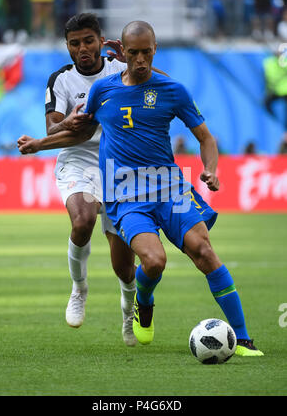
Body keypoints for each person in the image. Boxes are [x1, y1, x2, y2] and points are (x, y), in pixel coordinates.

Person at [19, 20, 264, 357]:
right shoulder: (102, 90)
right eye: (132, 53)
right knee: (154, 262)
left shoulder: (173, 90)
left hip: (169, 188)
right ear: (122, 51)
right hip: (125, 194)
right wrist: (40, 143)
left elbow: (206, 138)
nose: (139, 60)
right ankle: (143, 302)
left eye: (145, 52)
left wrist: (209, 169)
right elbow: (79, 134)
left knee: (205, 253)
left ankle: (244, 338)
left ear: (154, 49)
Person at [18, 13, 138, 347]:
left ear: (102, 40)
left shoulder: (121, 70)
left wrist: (130, 58)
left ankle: (129, 312)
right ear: (68, 47)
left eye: (88, 41)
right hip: (79, 160)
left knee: (124, 266)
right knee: (82, 221)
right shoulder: (61, 80)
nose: (82, 48)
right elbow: (52, 129)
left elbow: (165, 85)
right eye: (75, 43)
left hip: (120, 164)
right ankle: (79, 288)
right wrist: (67, 122)